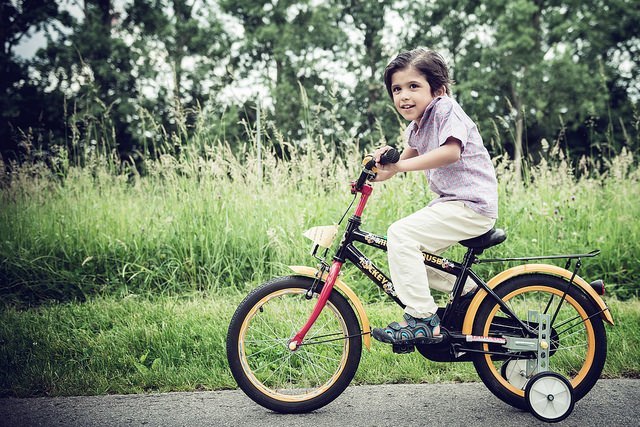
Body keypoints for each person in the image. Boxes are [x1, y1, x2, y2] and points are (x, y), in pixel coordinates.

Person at [371, 48, 498, 346]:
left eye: (414, 86)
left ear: (437, 89)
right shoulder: (417, 126)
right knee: (407, 255)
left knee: (400, 235)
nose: (404, 95)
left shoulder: (445, 109)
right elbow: (398, 165)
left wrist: (399, 165)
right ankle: (466, 290)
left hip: (471, 206)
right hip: (453, 205)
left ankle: (422, 319)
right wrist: (378, 171)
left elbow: (451, 151)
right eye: (397, 89)